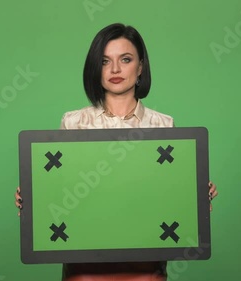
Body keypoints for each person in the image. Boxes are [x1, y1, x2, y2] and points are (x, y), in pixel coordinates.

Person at [14, 23, 218, 281]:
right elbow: (61, 190)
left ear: (140, 66)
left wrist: (198, 194)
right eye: (104, 61)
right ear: (94, 68)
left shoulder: (163, 125)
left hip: (145, 266)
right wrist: (33, 197)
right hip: (84, 267)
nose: (115, 69)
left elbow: (170, 192)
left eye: (126, 59)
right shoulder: (74, 123)